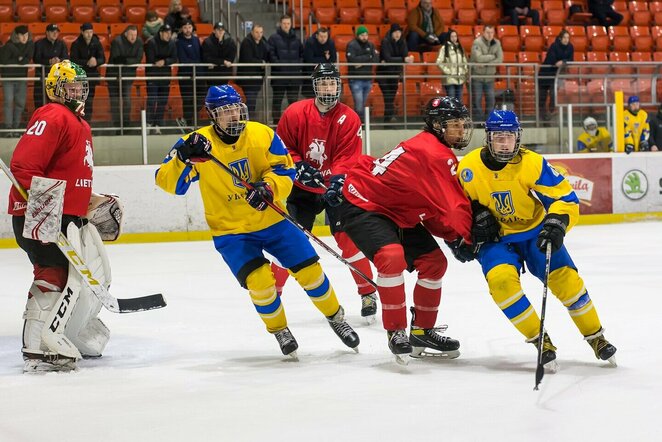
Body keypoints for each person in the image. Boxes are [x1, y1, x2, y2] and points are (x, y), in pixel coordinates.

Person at [154, 84, 359, 358]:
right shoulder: (197, 144)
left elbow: (286, 170)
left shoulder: (262, 134)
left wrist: (268, 188)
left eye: (236, 110)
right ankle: (279, 330)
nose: (233, 117)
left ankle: (336, 317)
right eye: (225, 112)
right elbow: (169, 184)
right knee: (261, 281)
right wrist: (183, 158)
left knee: (310, 271)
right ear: (212, 115)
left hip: (273, 221)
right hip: (231, 232)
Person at [456, 109, 617, 367]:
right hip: (497, 240)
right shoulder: (468, 168)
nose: (505, 143)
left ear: (518, 137)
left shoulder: (531, 162)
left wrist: (556, 223)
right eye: (499, 137)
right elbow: (455, 207)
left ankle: (596, 337)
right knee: (501, 284)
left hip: (535, 234)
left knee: (568, 282)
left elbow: (565, 199)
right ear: (488, 138)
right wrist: (460, 236)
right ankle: (540, 340)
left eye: (510, 136)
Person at [337, 97, 477, 360]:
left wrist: (453, 236)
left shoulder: (433, 148)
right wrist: (469, 238)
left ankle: (422, 331)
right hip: (365, 205)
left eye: (462, 124)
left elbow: (433, 207)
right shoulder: (435, 153)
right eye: (454, 124)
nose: (461, 130)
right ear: (437, 125)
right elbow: (454, 206)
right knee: (391, 257)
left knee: (435, 263)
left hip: (398, 211)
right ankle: (396, 330)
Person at [7, 60, 117, 372]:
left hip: (66, 215)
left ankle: (69, 331)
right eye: (71, 85)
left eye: (82, 86)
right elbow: (24, 167)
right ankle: (37, 343)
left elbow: (70, 176)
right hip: (42, 213)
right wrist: (44, 211)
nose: (79, 91)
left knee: (81, 277)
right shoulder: (53, 114)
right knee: (53, 271)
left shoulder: (79, 122)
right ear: (56, 88)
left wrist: (92, 200)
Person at [273, 63, 377, 322]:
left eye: (332, 83)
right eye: (323, 83)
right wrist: (298, 167)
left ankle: (367, 292)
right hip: (301, 190)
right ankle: (272, 294)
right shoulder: (295, 113)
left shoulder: (349, 117)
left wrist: (336, 181)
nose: (328, 88)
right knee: (291, 241)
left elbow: (348, 157)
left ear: (338, 86)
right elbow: (283, 146)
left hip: (335, 188)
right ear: (315, 86)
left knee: (348, 240)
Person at [268, 15, 303, 125]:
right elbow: (271, 54)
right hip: (279, 76)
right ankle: (276, 124)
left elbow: (302, 55)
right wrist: (280, 66)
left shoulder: (297, 39)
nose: (286, 25)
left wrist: (297, 66)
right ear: (280, 24)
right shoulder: (273, 38)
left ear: (291, 24)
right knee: (277, 102)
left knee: (293, 103)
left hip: (294, 76)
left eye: (288, 23)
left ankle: (293, 124)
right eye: (284, 23)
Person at [108, 25, 144, 131]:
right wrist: (130, 60)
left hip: (128, 76)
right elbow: (117, 59)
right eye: (131, 35)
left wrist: (126, 61)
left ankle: (126, 124)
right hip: (113, 76)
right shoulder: (117, 41)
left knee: (127, 100)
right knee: (115, 101)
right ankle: (116, 124)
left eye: (135, 35)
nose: (133, 37)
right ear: (125, 34)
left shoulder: (139, 42)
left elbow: (138, 59)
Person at [0, 25, 34, 136]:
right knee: (8, 102)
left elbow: (26, 60)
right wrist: (19, 59)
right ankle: (8, 128)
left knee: (20, 103)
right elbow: (4, 61)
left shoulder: (29, 45)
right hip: (8, 78)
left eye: (26, 35)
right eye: (21, 35)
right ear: (16, 36)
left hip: (21, 78)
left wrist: (18, 59)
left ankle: (16, 127)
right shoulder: (8, 46)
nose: (24, 37)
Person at [70, 23, 106, 122]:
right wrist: (87, 62)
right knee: (79, 102)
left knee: (89, 102)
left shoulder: (96, 42)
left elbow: (102, 58)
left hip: (92, 77)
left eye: (91, 32)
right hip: (79, 77)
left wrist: (96, 61)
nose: (89, 35)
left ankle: (87, 124)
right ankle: (78, 124)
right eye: (87, 32)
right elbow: (73, 60)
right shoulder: (76, 44)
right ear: (82, 32)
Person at [377, 24, 413, 122]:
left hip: (395, 73)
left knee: (391, 97)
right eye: (395, 32)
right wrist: (402, 59)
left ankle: (387, 119)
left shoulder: (402, 42)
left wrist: (404, 59)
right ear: (391, 33)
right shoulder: (385, 41)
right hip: (383, 74)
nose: (397, 34)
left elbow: (405, 56)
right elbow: (388, 58)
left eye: (399, 32)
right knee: (387, 96)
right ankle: (390, 116)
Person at [145, 23, 177, 134]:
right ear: (161, 33)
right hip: (153, 76)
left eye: (170, 33)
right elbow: (151, 58)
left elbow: (174, 58)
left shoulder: (172, 44)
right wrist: (165, 60)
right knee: (152, 101)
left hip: (165, 77)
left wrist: (164, 61)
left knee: (162, 101)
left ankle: (157, 123)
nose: (168, 35)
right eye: (166, 33)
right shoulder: (152, 42)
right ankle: (149, 123)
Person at [470, 26, 503, 122]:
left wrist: (486, 64)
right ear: (483, 32)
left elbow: (500, 59)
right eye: (488, 32)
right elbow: (478, 58)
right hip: (477, 76)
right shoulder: (477, 42)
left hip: (489, 77)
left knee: (490, 100)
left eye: (492, 32)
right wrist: (492, 57)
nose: (490, 35)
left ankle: (489, 121)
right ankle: (479, 122)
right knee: (477, 100)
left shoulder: (497, 43)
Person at [346, 25, 379, 122]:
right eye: (362, 35)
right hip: (356, 79)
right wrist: (368, 57)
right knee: (359, 105)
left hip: (368, 78)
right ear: (357, 35)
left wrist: (361, 62)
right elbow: (352, 61)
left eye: (366, 35)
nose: (364, 37)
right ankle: (358, 124)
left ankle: (359, 123)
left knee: (363, 104)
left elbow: (376, 58)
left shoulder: (370, 45)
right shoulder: (352, 45)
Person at [539, 30, 573, 120]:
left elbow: (571, 59)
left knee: (553, 94)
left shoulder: (570, 47)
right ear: (560, 38)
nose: (566, 40)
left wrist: (563, 61)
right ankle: (542, 116)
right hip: (545, 73)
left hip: (556, 75)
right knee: (542, 97)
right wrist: (559, 62)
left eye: (568, 38)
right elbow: (552, 59)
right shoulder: (554, 46)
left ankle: (551, 112)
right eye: (564, 38)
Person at [33, 24, 68, 108]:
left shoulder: (61, 44)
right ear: (47, 32)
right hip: (42, 77)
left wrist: (59, 60)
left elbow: (66, 58)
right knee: (40, 102)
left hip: (57, 78)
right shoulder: (39, 43)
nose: (55, 34)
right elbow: (36, 59)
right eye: (53, 32)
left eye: (57, 32)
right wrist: (49, 61)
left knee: (57, 104)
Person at [176, 18, 203, 128]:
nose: (187, 30)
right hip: (185, 75)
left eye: (189, 27)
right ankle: (188, 122)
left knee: (201, 98)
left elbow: (201, 56)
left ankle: (187, 119)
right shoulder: (179, 42)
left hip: (199, 74)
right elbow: (183, 59)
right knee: (187, 99)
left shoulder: (196, 40)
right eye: (185, 27)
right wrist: (197, 63)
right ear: (182, 29)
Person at [237, 24, 269, 116]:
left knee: (252, 101)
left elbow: (267, 55)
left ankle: (248, 120)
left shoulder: (263, 42)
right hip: (248, 78)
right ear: (252, 32)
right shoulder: (246, 42)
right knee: (250, 101)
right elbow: (247, 59)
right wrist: (261, 62)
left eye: (261, 32)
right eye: (257, 32)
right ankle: (246, 120)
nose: (259, 34)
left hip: (257, 78)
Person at [201, 22, 237, 92]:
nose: (220, 32)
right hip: (212, 75)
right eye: (218, 30)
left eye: (222, 30)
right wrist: (222, 61)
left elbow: (231, 56)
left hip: (224, 74)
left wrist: (221, 43)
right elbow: (207, 58)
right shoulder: (207, 42)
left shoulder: (229, 42)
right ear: (214, 31)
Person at [302, 27, 337, 98]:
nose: (323, 39)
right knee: (310, 98)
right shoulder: (310, 42)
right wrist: (325, 59)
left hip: (325, 74)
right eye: (321, 36)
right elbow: (309, 60)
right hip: (310, 74)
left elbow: (333, 59)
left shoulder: (330, 43)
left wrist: (321, 60)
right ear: (317, 36)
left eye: (325, 37)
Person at [435, 29, 468, 103]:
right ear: (448, 37)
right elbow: (439, 62)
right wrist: (448, 71)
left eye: (455, 36)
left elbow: (464, 61)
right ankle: (451, 114)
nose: (454, 38)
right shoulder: (444, 48)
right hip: (449, 79)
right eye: (452, 36)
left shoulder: (460, 48)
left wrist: (464, 71)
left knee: (459, 100)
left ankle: (458, 114)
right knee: (451, 100)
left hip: (460, 78)